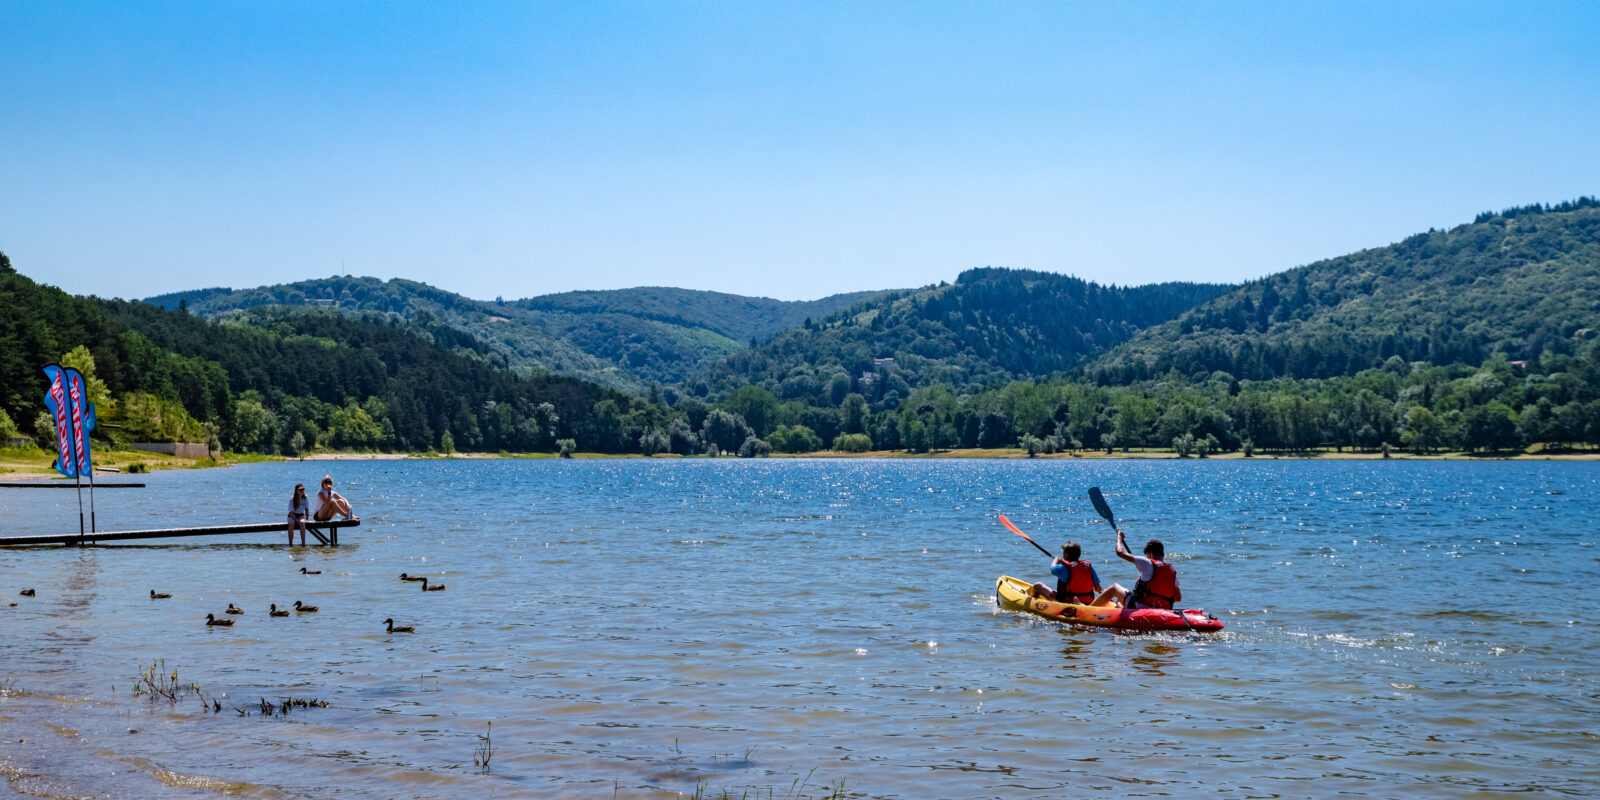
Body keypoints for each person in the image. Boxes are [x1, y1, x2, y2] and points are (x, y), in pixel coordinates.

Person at [1089, 529, 1181, 610]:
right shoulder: (1171, 570)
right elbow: (1178, 598)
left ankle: (1087, 610)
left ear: (1149, 555)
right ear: (1163, 555)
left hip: (1140, 608)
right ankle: (1120, 606)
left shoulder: (1147, 562)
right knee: (1124, 598)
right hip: (1163, 609)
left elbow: (1120, 552)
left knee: (1114, 588)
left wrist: (1119, 538)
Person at [1028, 541, 1103, 604]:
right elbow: (1098, 589)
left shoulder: (1063, 569)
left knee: (1037, 585)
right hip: (1088, 602)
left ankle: (1032, 601)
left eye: (1063, 553)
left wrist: (1057, 560)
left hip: (1066, 602)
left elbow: (1052, 568)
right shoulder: (1088, 567)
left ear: (1066, 555)